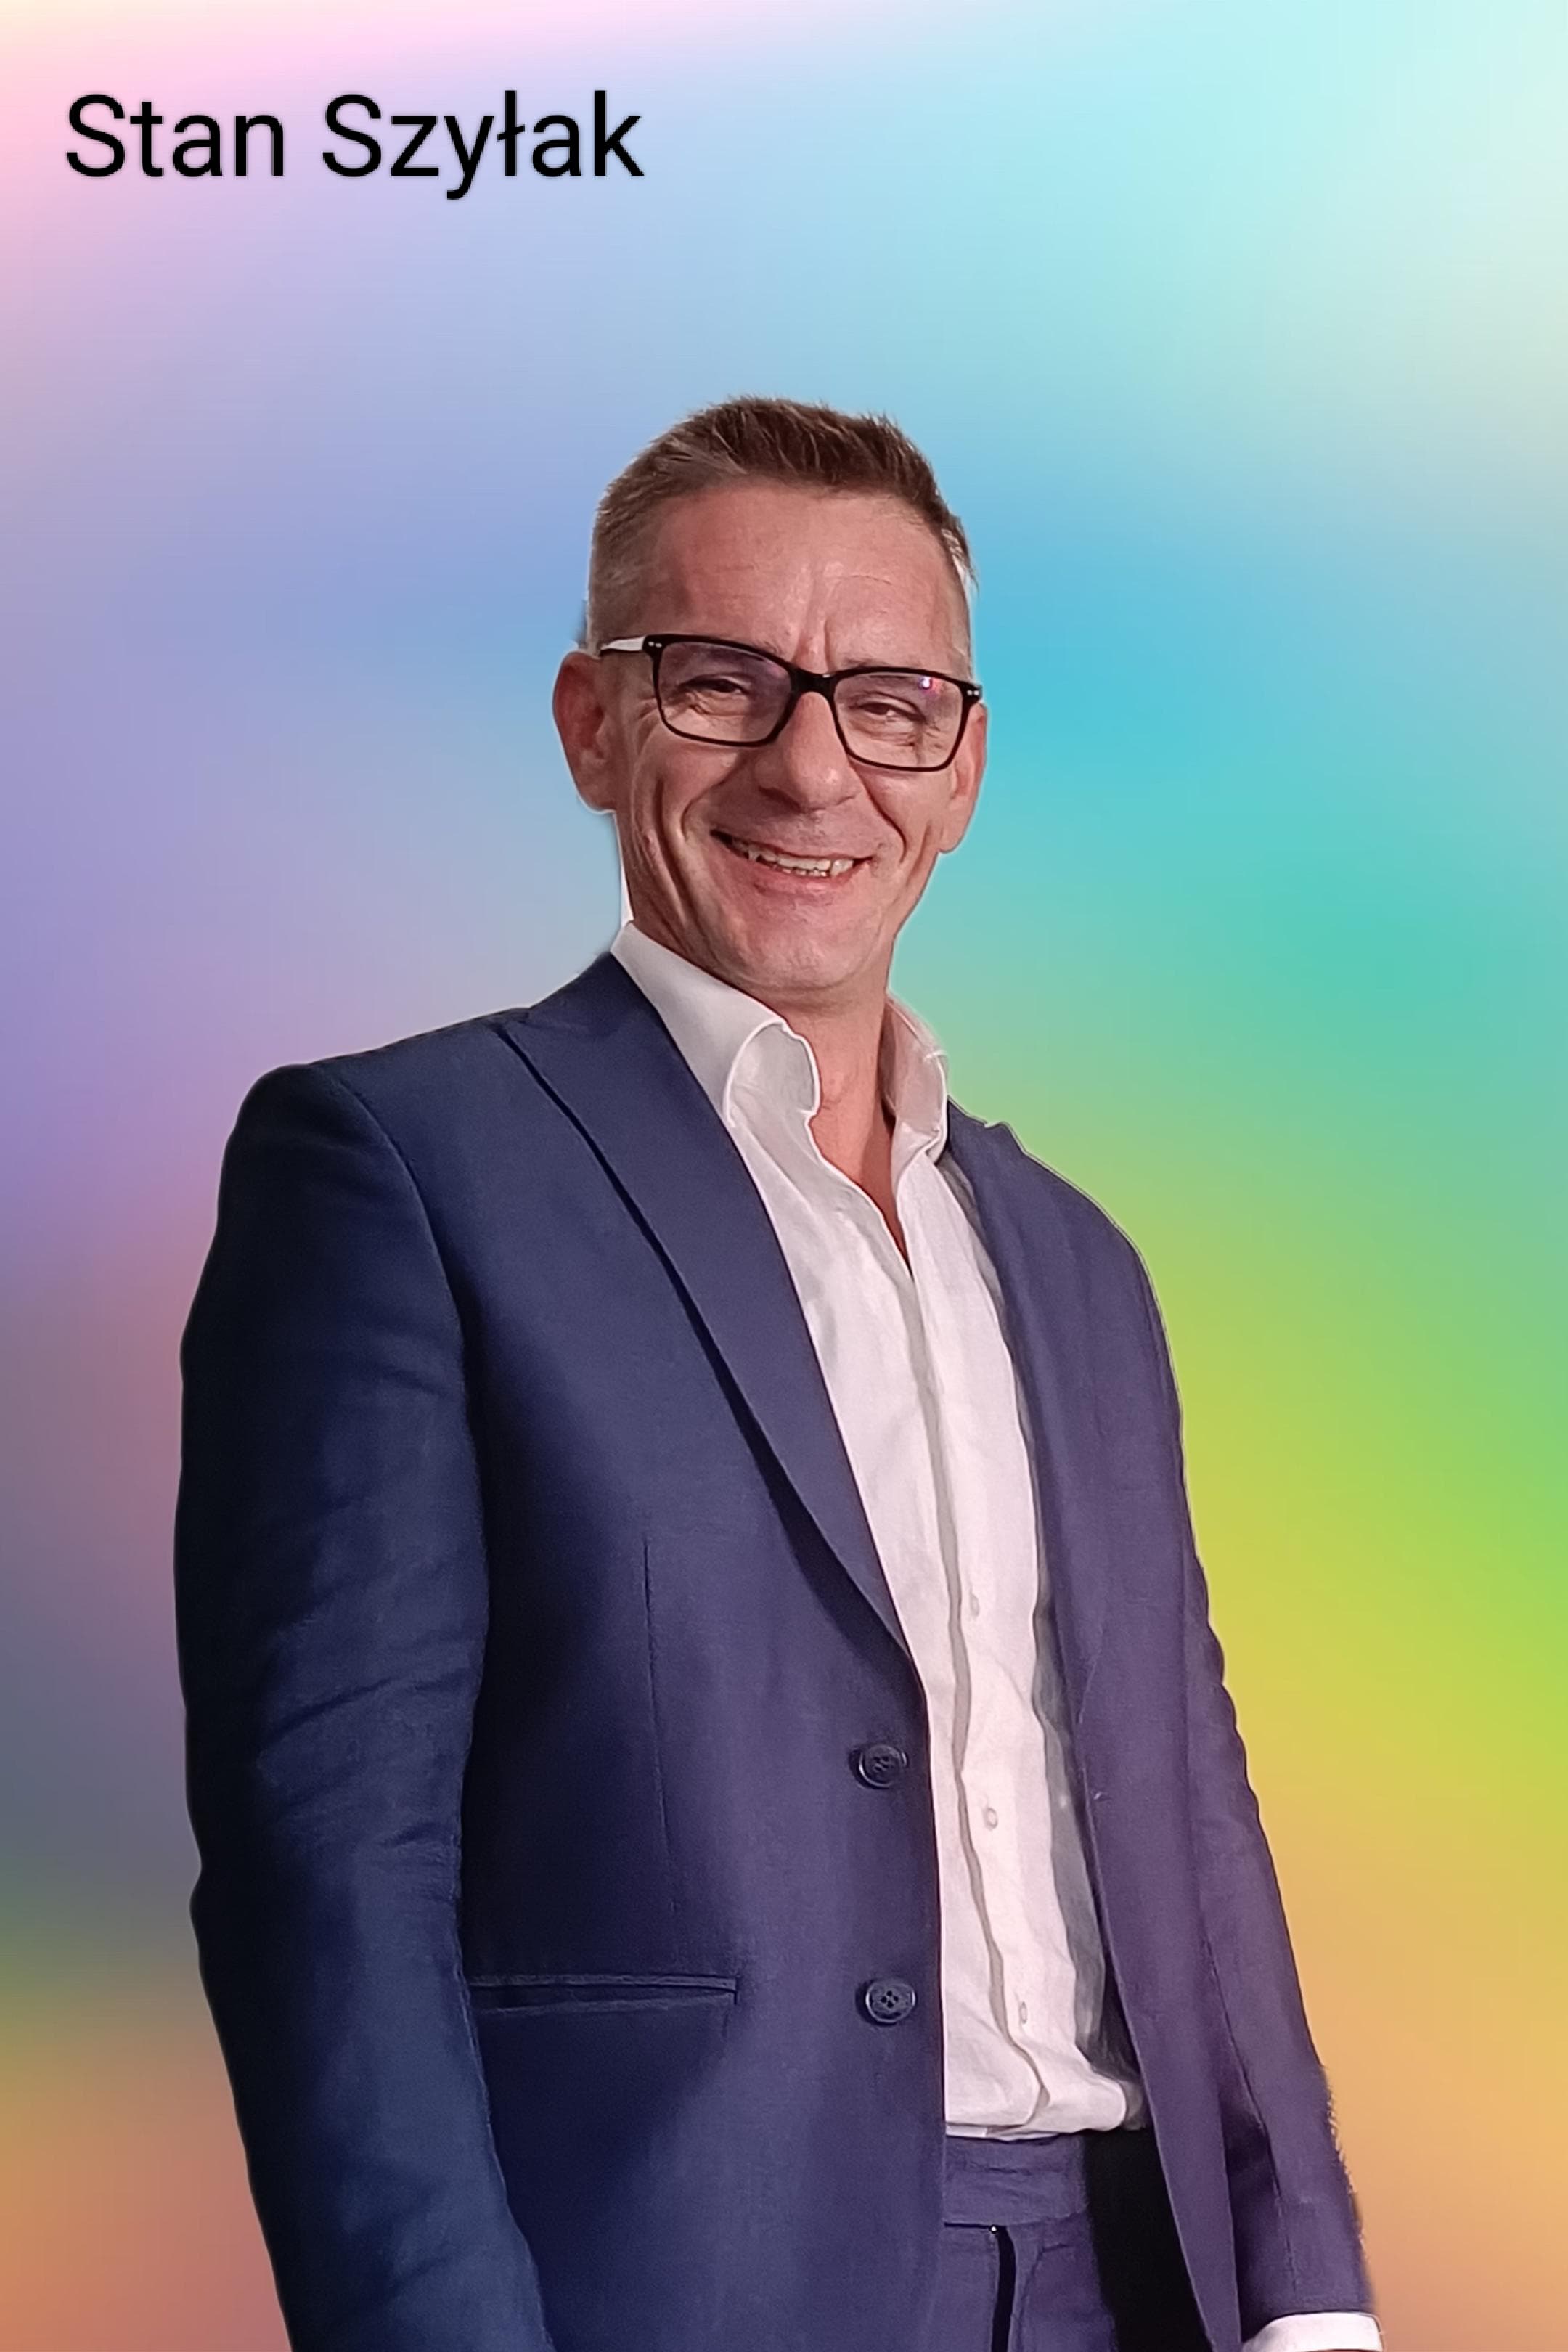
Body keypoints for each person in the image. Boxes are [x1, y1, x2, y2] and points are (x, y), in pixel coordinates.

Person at [174, 397, 1381, 2352]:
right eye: (723, 683)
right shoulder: (398, 1172)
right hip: (674, 2284)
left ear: (961, 769)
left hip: (1138, 2284)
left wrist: (1308, 2290)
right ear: (593, 723)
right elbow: (332, 1873)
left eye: (890, 704)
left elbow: (1189, 1803)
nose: (813, 767)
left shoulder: (1079, 1261)